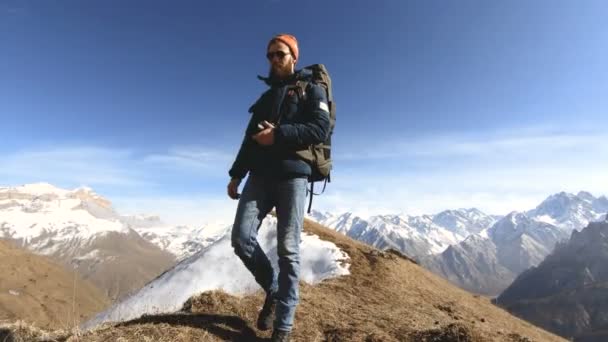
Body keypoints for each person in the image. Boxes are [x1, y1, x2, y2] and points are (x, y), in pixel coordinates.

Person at [227, 34, 330, 342]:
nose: (273, 60)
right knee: (241, 238)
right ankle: (273, 289)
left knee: (288, 250)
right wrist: (236, 175)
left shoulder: (314, 90)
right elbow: (249, 140)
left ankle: (282, 328)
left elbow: (319, 128)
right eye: (270, 55)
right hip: (259, 176)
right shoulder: (265, 98)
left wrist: (279, 135)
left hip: (293, 177)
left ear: (293, 57)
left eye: (280, 54)